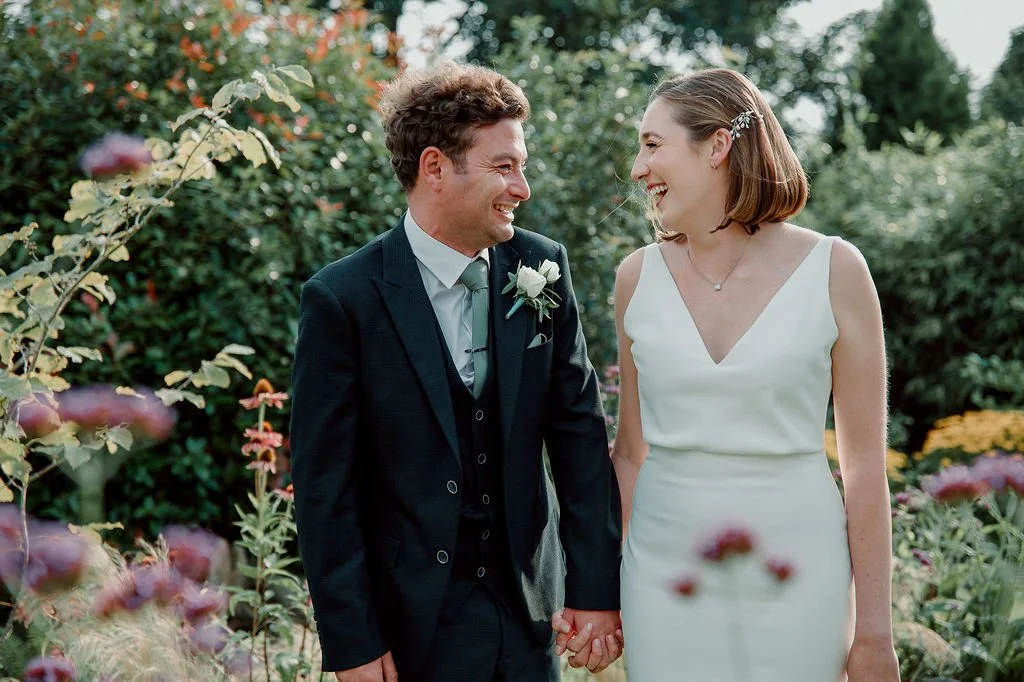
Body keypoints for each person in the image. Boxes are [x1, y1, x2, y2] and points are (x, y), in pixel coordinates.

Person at [557, 68, 899, 680]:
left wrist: (875, 633)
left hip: (799, 574)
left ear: (718, 146)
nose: (637, 168)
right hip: (663, 578)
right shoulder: (636, 278)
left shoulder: (835, 269)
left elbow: (865, 464)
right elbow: (630, 452)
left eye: (653, 144)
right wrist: (597, 593)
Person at [289, 62, 624, 682]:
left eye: (520, 165)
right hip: (411, 628)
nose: (522, 188)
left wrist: (597, 588)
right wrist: (353, 642)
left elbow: (579, 438)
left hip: (528, 617)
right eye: (504, 166)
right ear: (436, 168)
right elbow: (323, 488)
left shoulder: (542, 266)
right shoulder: (344, 299)